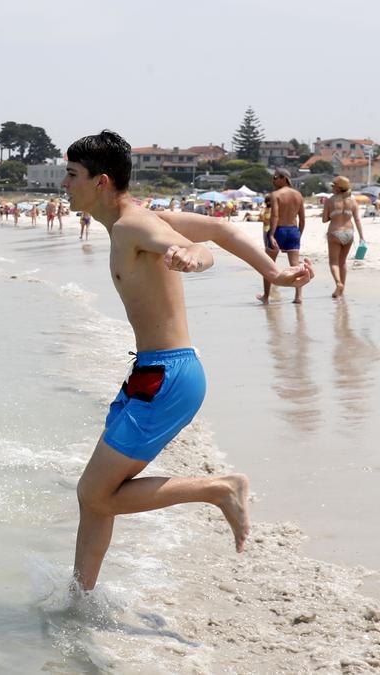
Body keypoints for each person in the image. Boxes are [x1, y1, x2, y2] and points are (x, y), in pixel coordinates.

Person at [60, 130, 314, 592]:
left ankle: (218, 488)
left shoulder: (134, 226)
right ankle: (80, 596)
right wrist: (274, 273)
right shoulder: (133, 219)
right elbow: (218, 229)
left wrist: (193, 257)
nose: (64, 183)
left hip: (168, 376)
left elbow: (199, 247)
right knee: (94, 498)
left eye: (71, 174)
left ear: (100, 181)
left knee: (94, 493)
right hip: (156, 372)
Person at [262, 168, 306, 304]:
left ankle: (266, 296)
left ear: (283, 178)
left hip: (279, 230)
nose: (273, 180)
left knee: (268, 265)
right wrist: (299, 234)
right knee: (295, 266)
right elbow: (302, 219)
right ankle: (298, 296)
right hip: (293, 230)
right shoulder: (298, 195)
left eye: (275, 177)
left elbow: (275, 216)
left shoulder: (275, 195)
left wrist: (272, 236)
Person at [322, 176, 366, 298]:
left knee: (333, 263)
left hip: (335, 232)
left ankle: (338, 283)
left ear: (338, 187)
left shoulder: (330, 201)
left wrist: (332, 215)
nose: (332, 187)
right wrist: (362, 236)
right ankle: (342, 290)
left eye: (333, 185)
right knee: (343, 262)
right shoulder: (353, 200)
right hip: (349, 233)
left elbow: (324, 219)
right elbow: (357, 219)